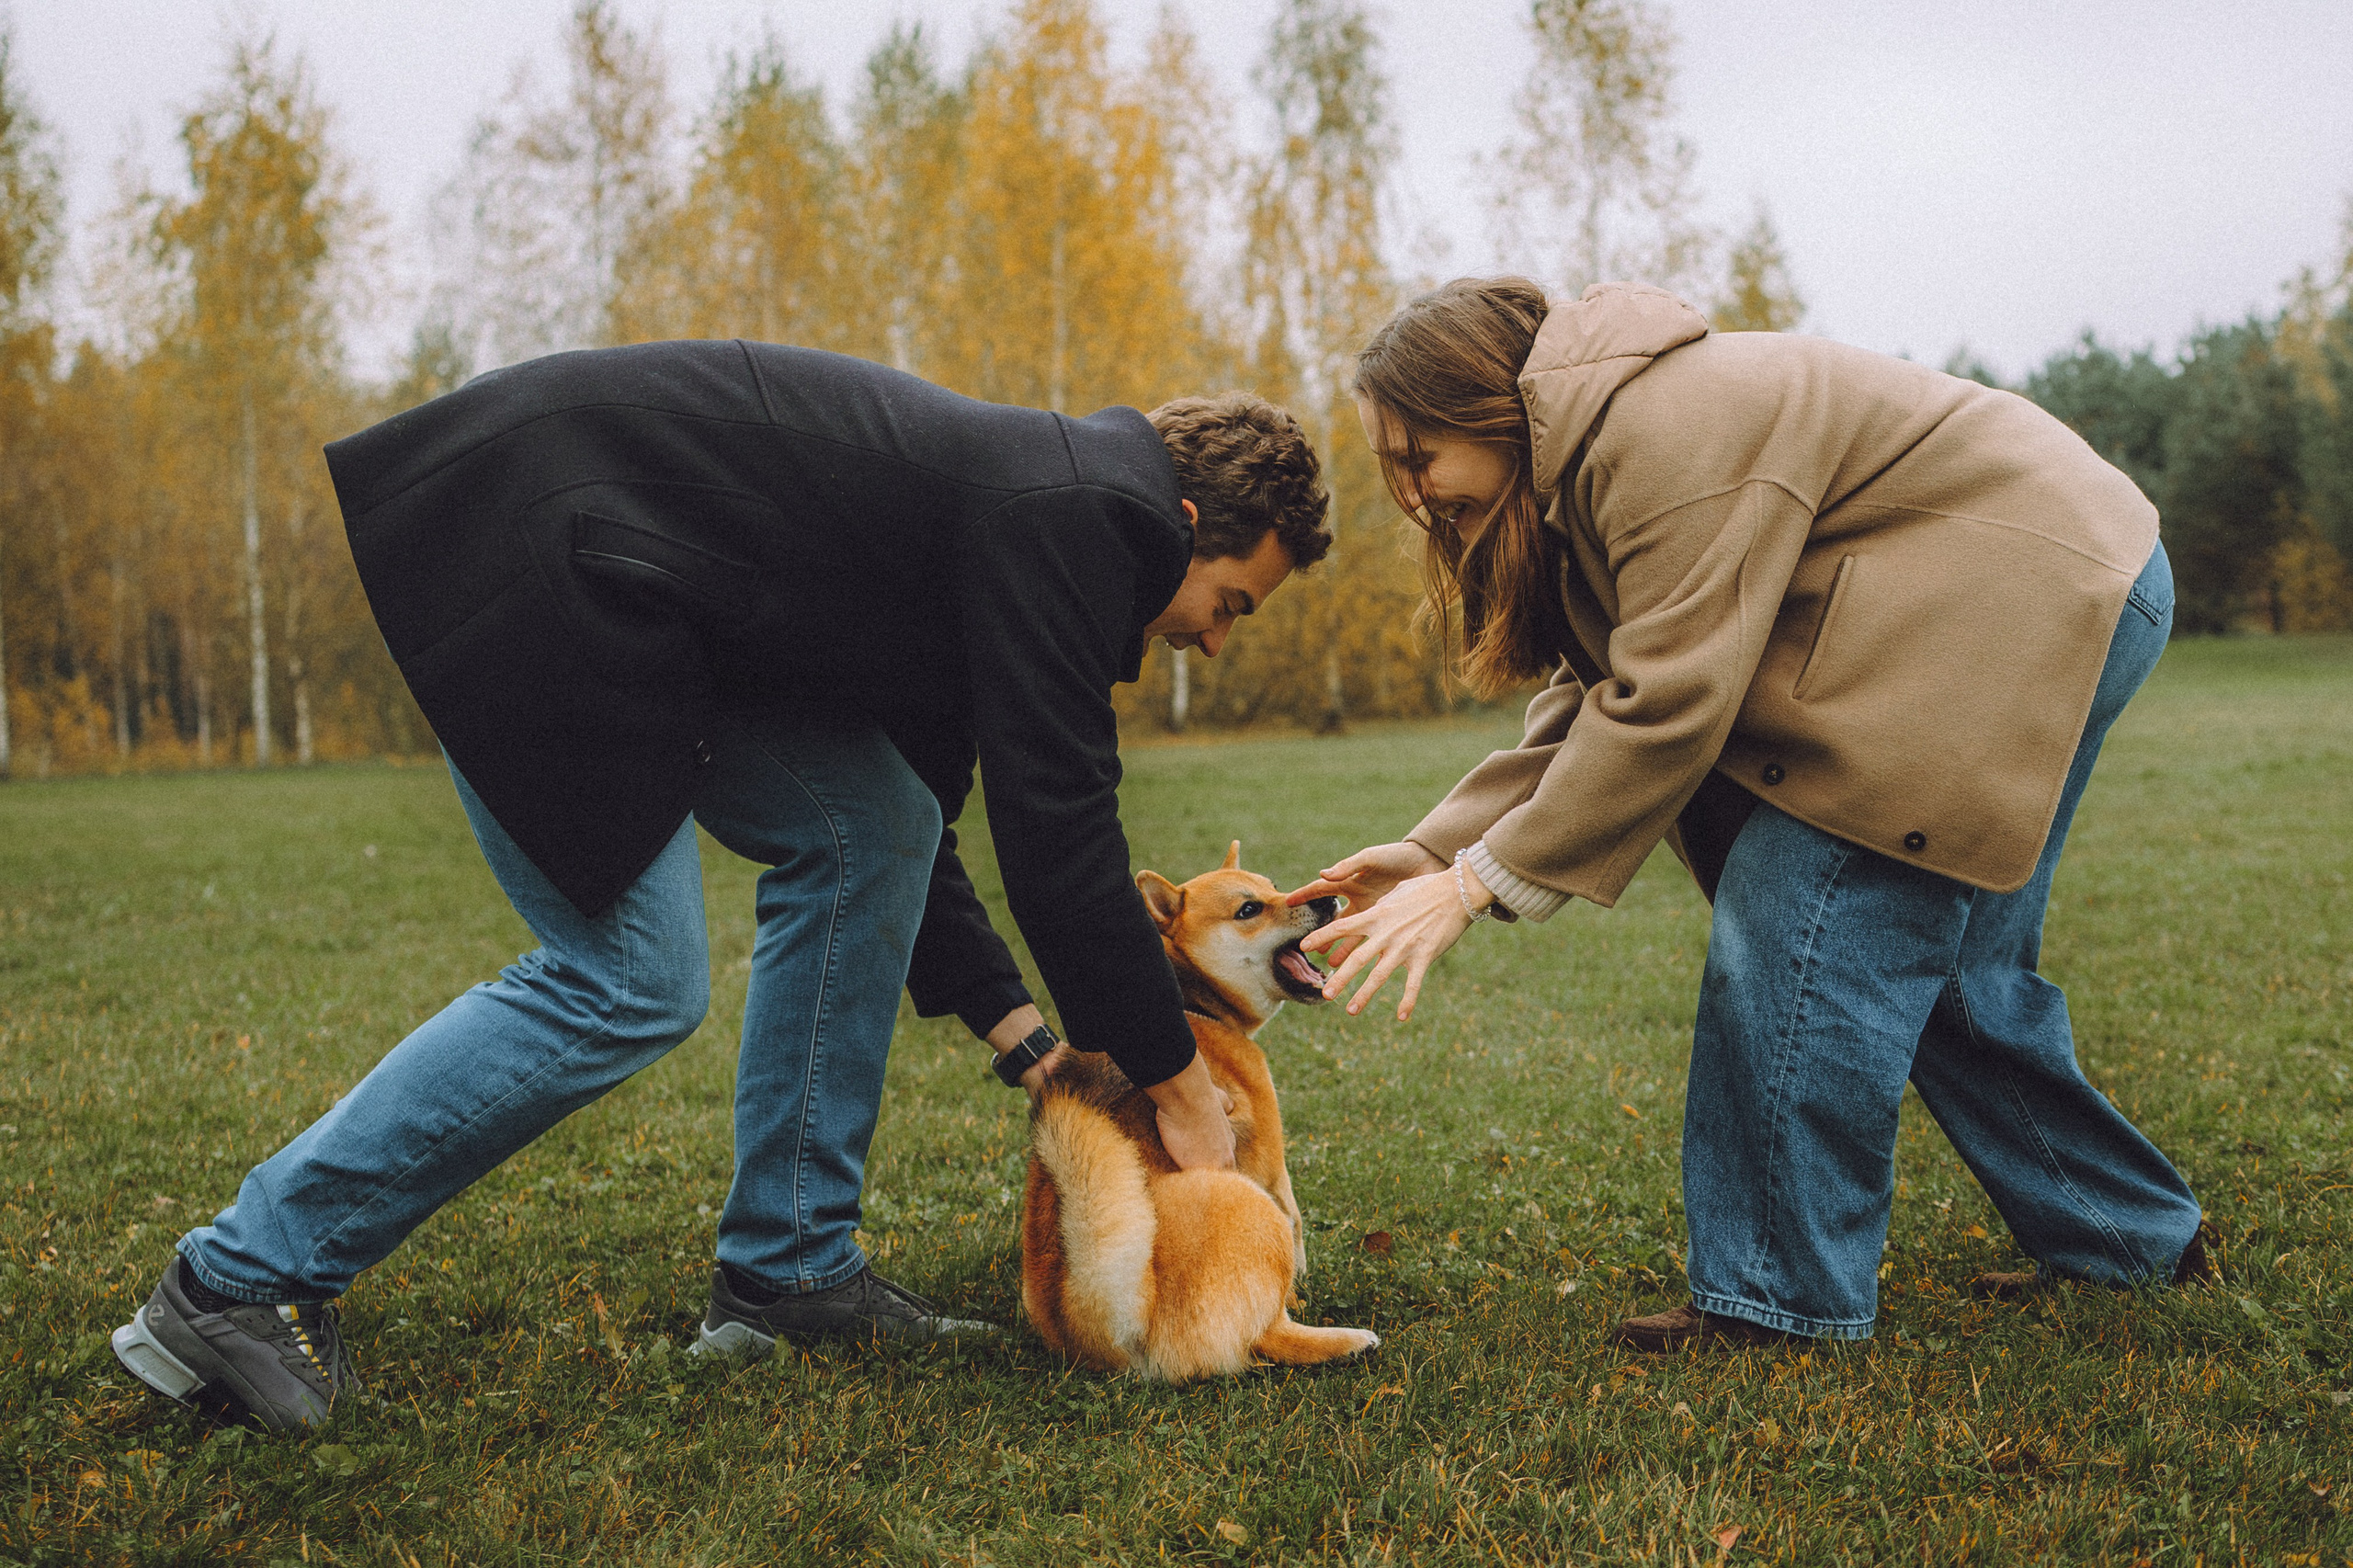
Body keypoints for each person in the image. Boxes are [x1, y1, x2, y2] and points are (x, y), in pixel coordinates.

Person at [110, 341, 1332, 1429]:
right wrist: (1176, 1082)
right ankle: (238, 1278)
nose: (1215, 638)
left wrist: (1031, 1044)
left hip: (640, 590)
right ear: (1176, 521)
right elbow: (1059, 825)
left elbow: (925, 818)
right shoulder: (1079, 515)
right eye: (1229, 601)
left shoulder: (1028, 519)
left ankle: (787, 1275)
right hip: (552, 554)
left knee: (873, 824)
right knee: (627, 979)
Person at [1290, 278, 2207, 1350]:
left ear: (1487, 406)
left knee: (1797, 920)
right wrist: (1433, 851)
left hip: (2025, 593)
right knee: (1954, 971)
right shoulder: (1589, 453)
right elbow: (1602, 687)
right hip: (2060, 579)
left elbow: (1671, 699)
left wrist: (1472, 884)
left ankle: (1779, 1301)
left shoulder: (1652, 433)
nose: (1411, 493)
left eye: (1418, 455)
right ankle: (2127, 1235)